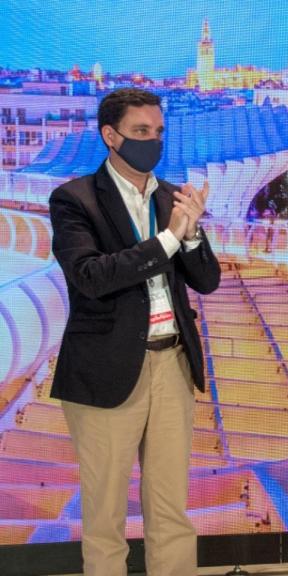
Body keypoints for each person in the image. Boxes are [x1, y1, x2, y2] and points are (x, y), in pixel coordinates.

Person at [48, 87, 221, 576]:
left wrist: (191, 235)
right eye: (141, 132)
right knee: (105, 514)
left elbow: (206, 281)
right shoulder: (74, 199)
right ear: (111, 135)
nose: (152, 141)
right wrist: (168, 237)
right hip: (106, 369)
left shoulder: (172, 197)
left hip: (171, 362)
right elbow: (91, 276)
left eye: (159, 132)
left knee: (170, 510)